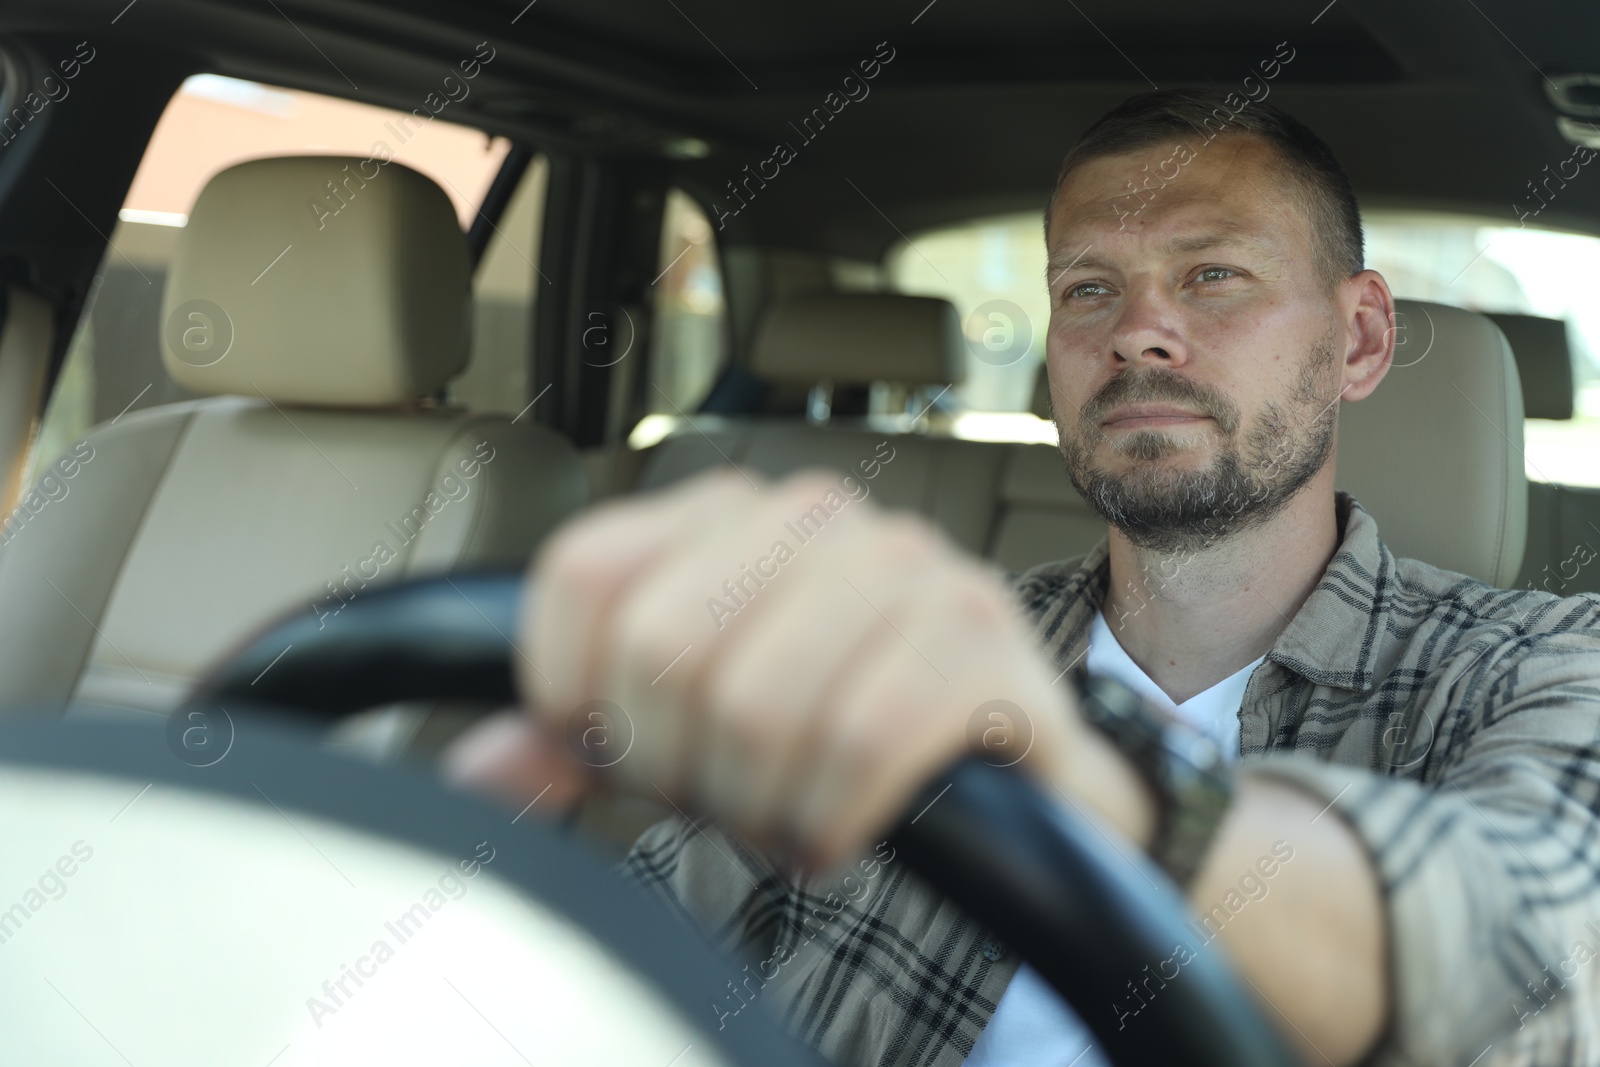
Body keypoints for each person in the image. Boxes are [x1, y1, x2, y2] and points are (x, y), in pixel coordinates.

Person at [446, 89, 1600, 1067]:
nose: (1139, 330)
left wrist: (1088, 787)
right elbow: (614, 965)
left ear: (1356, 342)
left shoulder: (1532, 666)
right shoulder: (914, 657)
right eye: (1087, 288)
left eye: (1212, 274)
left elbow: (1537, 947)